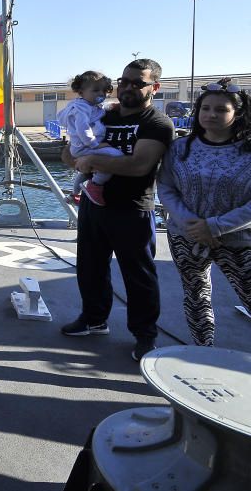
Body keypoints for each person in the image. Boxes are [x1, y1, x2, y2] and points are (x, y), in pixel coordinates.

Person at [60, 58, 174, 362]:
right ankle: (94, 319)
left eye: (137, 83)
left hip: (132, 209)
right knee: (90, 268)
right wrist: (81, 161)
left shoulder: (156, 123)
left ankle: (145, 335)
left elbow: (138, 165)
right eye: (124, 81)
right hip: (93, 208)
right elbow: (68, 154)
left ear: (155, 87)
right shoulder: (102, 116)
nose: (127, 87)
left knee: (138, 276)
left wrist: (92, 162)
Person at [157, 78, 251, 346]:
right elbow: (166, 186)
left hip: (238, 240)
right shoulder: (180, 149)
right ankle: (203, 351)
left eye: (221, 110)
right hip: (186, 237)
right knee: (196, 295)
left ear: (237, 113)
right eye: (206, 108)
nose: (211, 114)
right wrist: (191, 225)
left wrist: (216, 226)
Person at [57, 71, 123, 205]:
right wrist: (94, 144)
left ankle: (75, 194)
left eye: (104, 91)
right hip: (86, 147)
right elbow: (83, 128)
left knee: (85, 171)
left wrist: (111, 106)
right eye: (96, 90)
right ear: (81, 92)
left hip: (81, 147)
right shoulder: (81, 109)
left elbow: (98, 109)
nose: (101, 94)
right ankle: (95, 185)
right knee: (116, 156)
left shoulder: (87, 105)